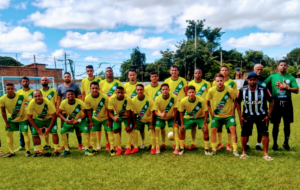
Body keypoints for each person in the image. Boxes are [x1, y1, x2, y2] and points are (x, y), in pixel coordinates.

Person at [261, 60, 299, 151]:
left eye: (285, 65)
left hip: (287, 102)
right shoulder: (272, 76)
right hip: (276, 102)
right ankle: (275, 144)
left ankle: (286, 143)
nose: (283, 66)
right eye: (281, 65)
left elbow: (297, 90)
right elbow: (262, 85)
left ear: (287, 67)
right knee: (275, 124)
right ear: (277, 67)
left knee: (287, 124)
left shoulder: (291, 77)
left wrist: (287, 87)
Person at [236, 72, 274, 161]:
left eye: (254, 80)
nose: (252, 81)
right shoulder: (242, 90)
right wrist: (240, 116)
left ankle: (265, 153)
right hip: (247, 115)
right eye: (250, 80)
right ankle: (244, 152)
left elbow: (271, 101)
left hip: (261, 115)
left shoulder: (264, 89)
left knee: (265, 133)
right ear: (247, 80)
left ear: (257, 80)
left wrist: (269, 115)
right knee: (244, 133)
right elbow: (237, 101)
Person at [206, 73, 239, 157]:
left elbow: (236, 100)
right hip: (217, 116)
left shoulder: (230, 90)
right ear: (215, 82)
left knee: (233, 129)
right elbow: (207, 102)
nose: (219, 82)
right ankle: (213, 149)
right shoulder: (211, 90)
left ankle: (235, 150)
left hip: (228, 116)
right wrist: (211, 112)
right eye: (217, 81)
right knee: (213, 130)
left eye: (221, 80)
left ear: (224, 80)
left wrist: (233, 111)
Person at [0, 83, 32, 157]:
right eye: (8, 89)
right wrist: (6, 123)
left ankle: (28, 151)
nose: (10, 90)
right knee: (8, 134)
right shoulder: (2, 99)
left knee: (25, 134)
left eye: (12, 88)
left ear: (14, 89)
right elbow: (3, 112)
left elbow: (32, 100)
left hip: (23, 118)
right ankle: (11, 151)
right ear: (5, 89)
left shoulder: (21, 96)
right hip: (12, 119)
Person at [84, 82, 115, 156]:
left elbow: (108, 109)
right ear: (90, 89)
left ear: (99, 89)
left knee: (110, 132)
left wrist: (108, 120)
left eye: (96, 88)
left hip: (105, 118)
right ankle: (94, 149)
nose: (94, 90)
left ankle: (112, 149)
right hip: (95, 118)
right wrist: (91, 121)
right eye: (93, 88)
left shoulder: (104, 97)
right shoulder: (87, 98)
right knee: (92, 133)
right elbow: (88, 110)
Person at [179, 85, 211, 155]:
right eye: (189, 92)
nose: (191, 94)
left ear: (195, 92)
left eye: (193, 92)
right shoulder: (183, 101)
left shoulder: (201, 100)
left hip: (200, 116)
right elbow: (181, 112)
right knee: (182, 130)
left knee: (205, 130)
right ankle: (181, 148)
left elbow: (206, 111)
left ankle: (207, 149)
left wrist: (204, 124)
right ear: (187, 93)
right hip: (188, 116)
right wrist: (181, 124)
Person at [243, 64, 268, 150]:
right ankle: (246, 143)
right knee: (247, 130)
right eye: (258, 69)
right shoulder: (246, 84)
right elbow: (243, 94)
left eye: (261, 69)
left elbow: (269, 96)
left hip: (261, 109)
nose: (259, 70)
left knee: (260, 130)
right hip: (248, 111)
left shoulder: (265, 80)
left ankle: (258, 144)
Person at [212, 65, 238, 151]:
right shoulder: (214, 82)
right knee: (218, 127)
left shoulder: (232, 83)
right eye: (222, 70)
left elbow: (235, 97)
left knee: (229, 128)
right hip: (218, 110)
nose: (224, 72)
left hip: (228, 110)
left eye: (226, 70)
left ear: (228, 71)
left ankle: (229, 144)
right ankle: (220, 143)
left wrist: (233, 111)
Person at [27, 90, 60, 157]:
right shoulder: (31, 103)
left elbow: (54, 116)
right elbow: (29, 117)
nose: (37, 97)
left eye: (39, 96)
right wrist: (38, 129)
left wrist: (48, 129)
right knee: (34, 133)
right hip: (39, 119)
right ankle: (39, 151)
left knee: (54, 132)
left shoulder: (48, 102)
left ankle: (56, 150)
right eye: (35, 96)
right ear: (33, 97)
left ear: (42, 96)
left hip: (50, 119)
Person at [57, 72, 83, 150]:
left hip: (75, 111)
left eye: (68, 76)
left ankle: (80, 144)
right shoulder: (60, 87)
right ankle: (66, 144)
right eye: (65, 77)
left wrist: (80, 110)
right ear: (63, 78)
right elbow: (58, 99)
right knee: (65, 129)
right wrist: (57, 109)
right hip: (64, 112)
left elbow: (79, 98)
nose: (67, 78)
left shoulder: (76, 86)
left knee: (77, 128)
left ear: (70, 77)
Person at [99, 67, 123, 151]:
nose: (109, 72)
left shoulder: (117, 82)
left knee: (117, 125)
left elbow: (122, 93)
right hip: (105, 107)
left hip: (116, 107)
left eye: (110, 71)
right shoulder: (101, 83)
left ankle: (118, 143)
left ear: (112, 73)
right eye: (107, 71)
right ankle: (107, 143)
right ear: (105, 73)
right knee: (107, 125)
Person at [58, 90, 89, 156]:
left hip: (80, 120)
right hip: (70, 119)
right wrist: (65, 120)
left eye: (72, 94)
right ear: (66, 96)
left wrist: (79, 120)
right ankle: (66, 150)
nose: (70, 96)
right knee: (62, 132)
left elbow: (85, 113)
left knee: (86, 131)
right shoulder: (63, 102)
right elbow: (58, 112)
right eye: (68, 94)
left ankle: (87, 149)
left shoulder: (80, 102)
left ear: (74, 95)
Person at [163, 65, 187, 149]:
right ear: (170, 71)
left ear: (178, 72)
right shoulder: (166, 81)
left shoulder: (183, 80)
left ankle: (182, 142)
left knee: (182, 125)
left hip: (182, 106)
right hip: (173, 107)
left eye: (175, 70)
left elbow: (186, 93)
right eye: (172, 70)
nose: (174, 72)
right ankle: (176, 142)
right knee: (175, 125)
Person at [187, 68, 211, 150]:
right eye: (196, 73)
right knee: (193, 126)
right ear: (194, 74)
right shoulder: (190, 83)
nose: (197, 74)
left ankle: (206, 144)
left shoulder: (207, 84)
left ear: (201, 74)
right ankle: (193, 143)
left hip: (203, 109)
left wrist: (208, 107)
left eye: (199, 73)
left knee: (205, 127)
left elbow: (209, 96)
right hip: (193, 109)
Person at [153, 83, 179, 154]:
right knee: (157, 128)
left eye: (166, 89)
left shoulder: (174, 97)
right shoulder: (157, 98)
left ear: (169, 90)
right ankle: (157, 147)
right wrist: (160, 114)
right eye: (163, 89)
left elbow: (175, 109)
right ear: (161, 90)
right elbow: (155, 111)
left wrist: (175, 122)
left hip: (171, 117)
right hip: (161, 117)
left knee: (176, 128)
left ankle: (177, 147)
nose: (165, 91)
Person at [81, 65, 103, 151]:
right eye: (88, 71)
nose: (89, 72)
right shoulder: (83, 81)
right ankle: (90, 143)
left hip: (98, 105)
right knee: (89, 124)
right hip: (88, 104)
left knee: (98, 124)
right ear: (86, 72)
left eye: (91, 70)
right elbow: (83, 93)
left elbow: (101, 92)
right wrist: (83, 105)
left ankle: (99, 143)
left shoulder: (99, 80)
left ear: (93, 71)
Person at [123, 69, 147, 149]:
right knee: (131, 127)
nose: (132, 76)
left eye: (133, 75)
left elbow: (144, 97)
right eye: (130, 75)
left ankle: (143, 142)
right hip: (130, 109)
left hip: (139, 109)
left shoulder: (140, 85)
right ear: (128, 76)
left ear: (136, 75)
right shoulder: (125, 86)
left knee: (141, 128)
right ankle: (131, 143)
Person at [108, 86, 132, 155]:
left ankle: (128, 147)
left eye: (121, 92)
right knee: (115, 130)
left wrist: (127, 125)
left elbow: (128, 113)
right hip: (117, 116)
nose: (120, 94)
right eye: (118, 92)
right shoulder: (112, 99)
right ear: (116, 92)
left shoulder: (128, 99)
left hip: (126, 116)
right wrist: (113, 118)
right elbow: (109, 111)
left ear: (124, 92)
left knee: (128, 130)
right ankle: (119, 148)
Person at [144, 72, 165, 150]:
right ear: (150, 78)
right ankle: (152, 143)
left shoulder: (161, 87)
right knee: (152, 127)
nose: (154, 78)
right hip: (150, 110)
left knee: (162, 127)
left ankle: (163, 143)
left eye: (155, 76)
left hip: (160, 109)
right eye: (152, 77)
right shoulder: (146, 88)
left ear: (158, 77)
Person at [131, 84, 154, 154]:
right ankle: (136, 147)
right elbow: (133, 113)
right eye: (138, 90)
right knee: (135, 130)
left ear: (143, 90)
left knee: (151, 131)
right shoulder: (133, 100)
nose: (139, 91)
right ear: (136, 91)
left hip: (149, 119)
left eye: (141, 89)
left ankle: (153, 147)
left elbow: (153, 112)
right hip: (140, 120)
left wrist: (152, 124)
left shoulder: (149, 100)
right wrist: (134, 123)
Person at [15, 77, 35, 152]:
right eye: (23, 81)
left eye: (26, 81)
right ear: (21, 82)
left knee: (33, 131)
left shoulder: (33, 92)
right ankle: (22, 145)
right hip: (22, 116)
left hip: (32, 115)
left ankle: (35, 145)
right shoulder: (18, 92)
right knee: (22, 131)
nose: (25, 82)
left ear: (29, 82)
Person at [40, 76, 57, 150]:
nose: (44, 81)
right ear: (40, 82)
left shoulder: (53, 91)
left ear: (48, 81)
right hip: (42, 115)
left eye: (46, 80)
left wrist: (56, 111)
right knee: (44, 130)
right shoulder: (39, 92)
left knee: (54, 131)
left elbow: (56, 102)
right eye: (43, 80)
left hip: (52, 115)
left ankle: (55, 146)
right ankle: (47, 144)